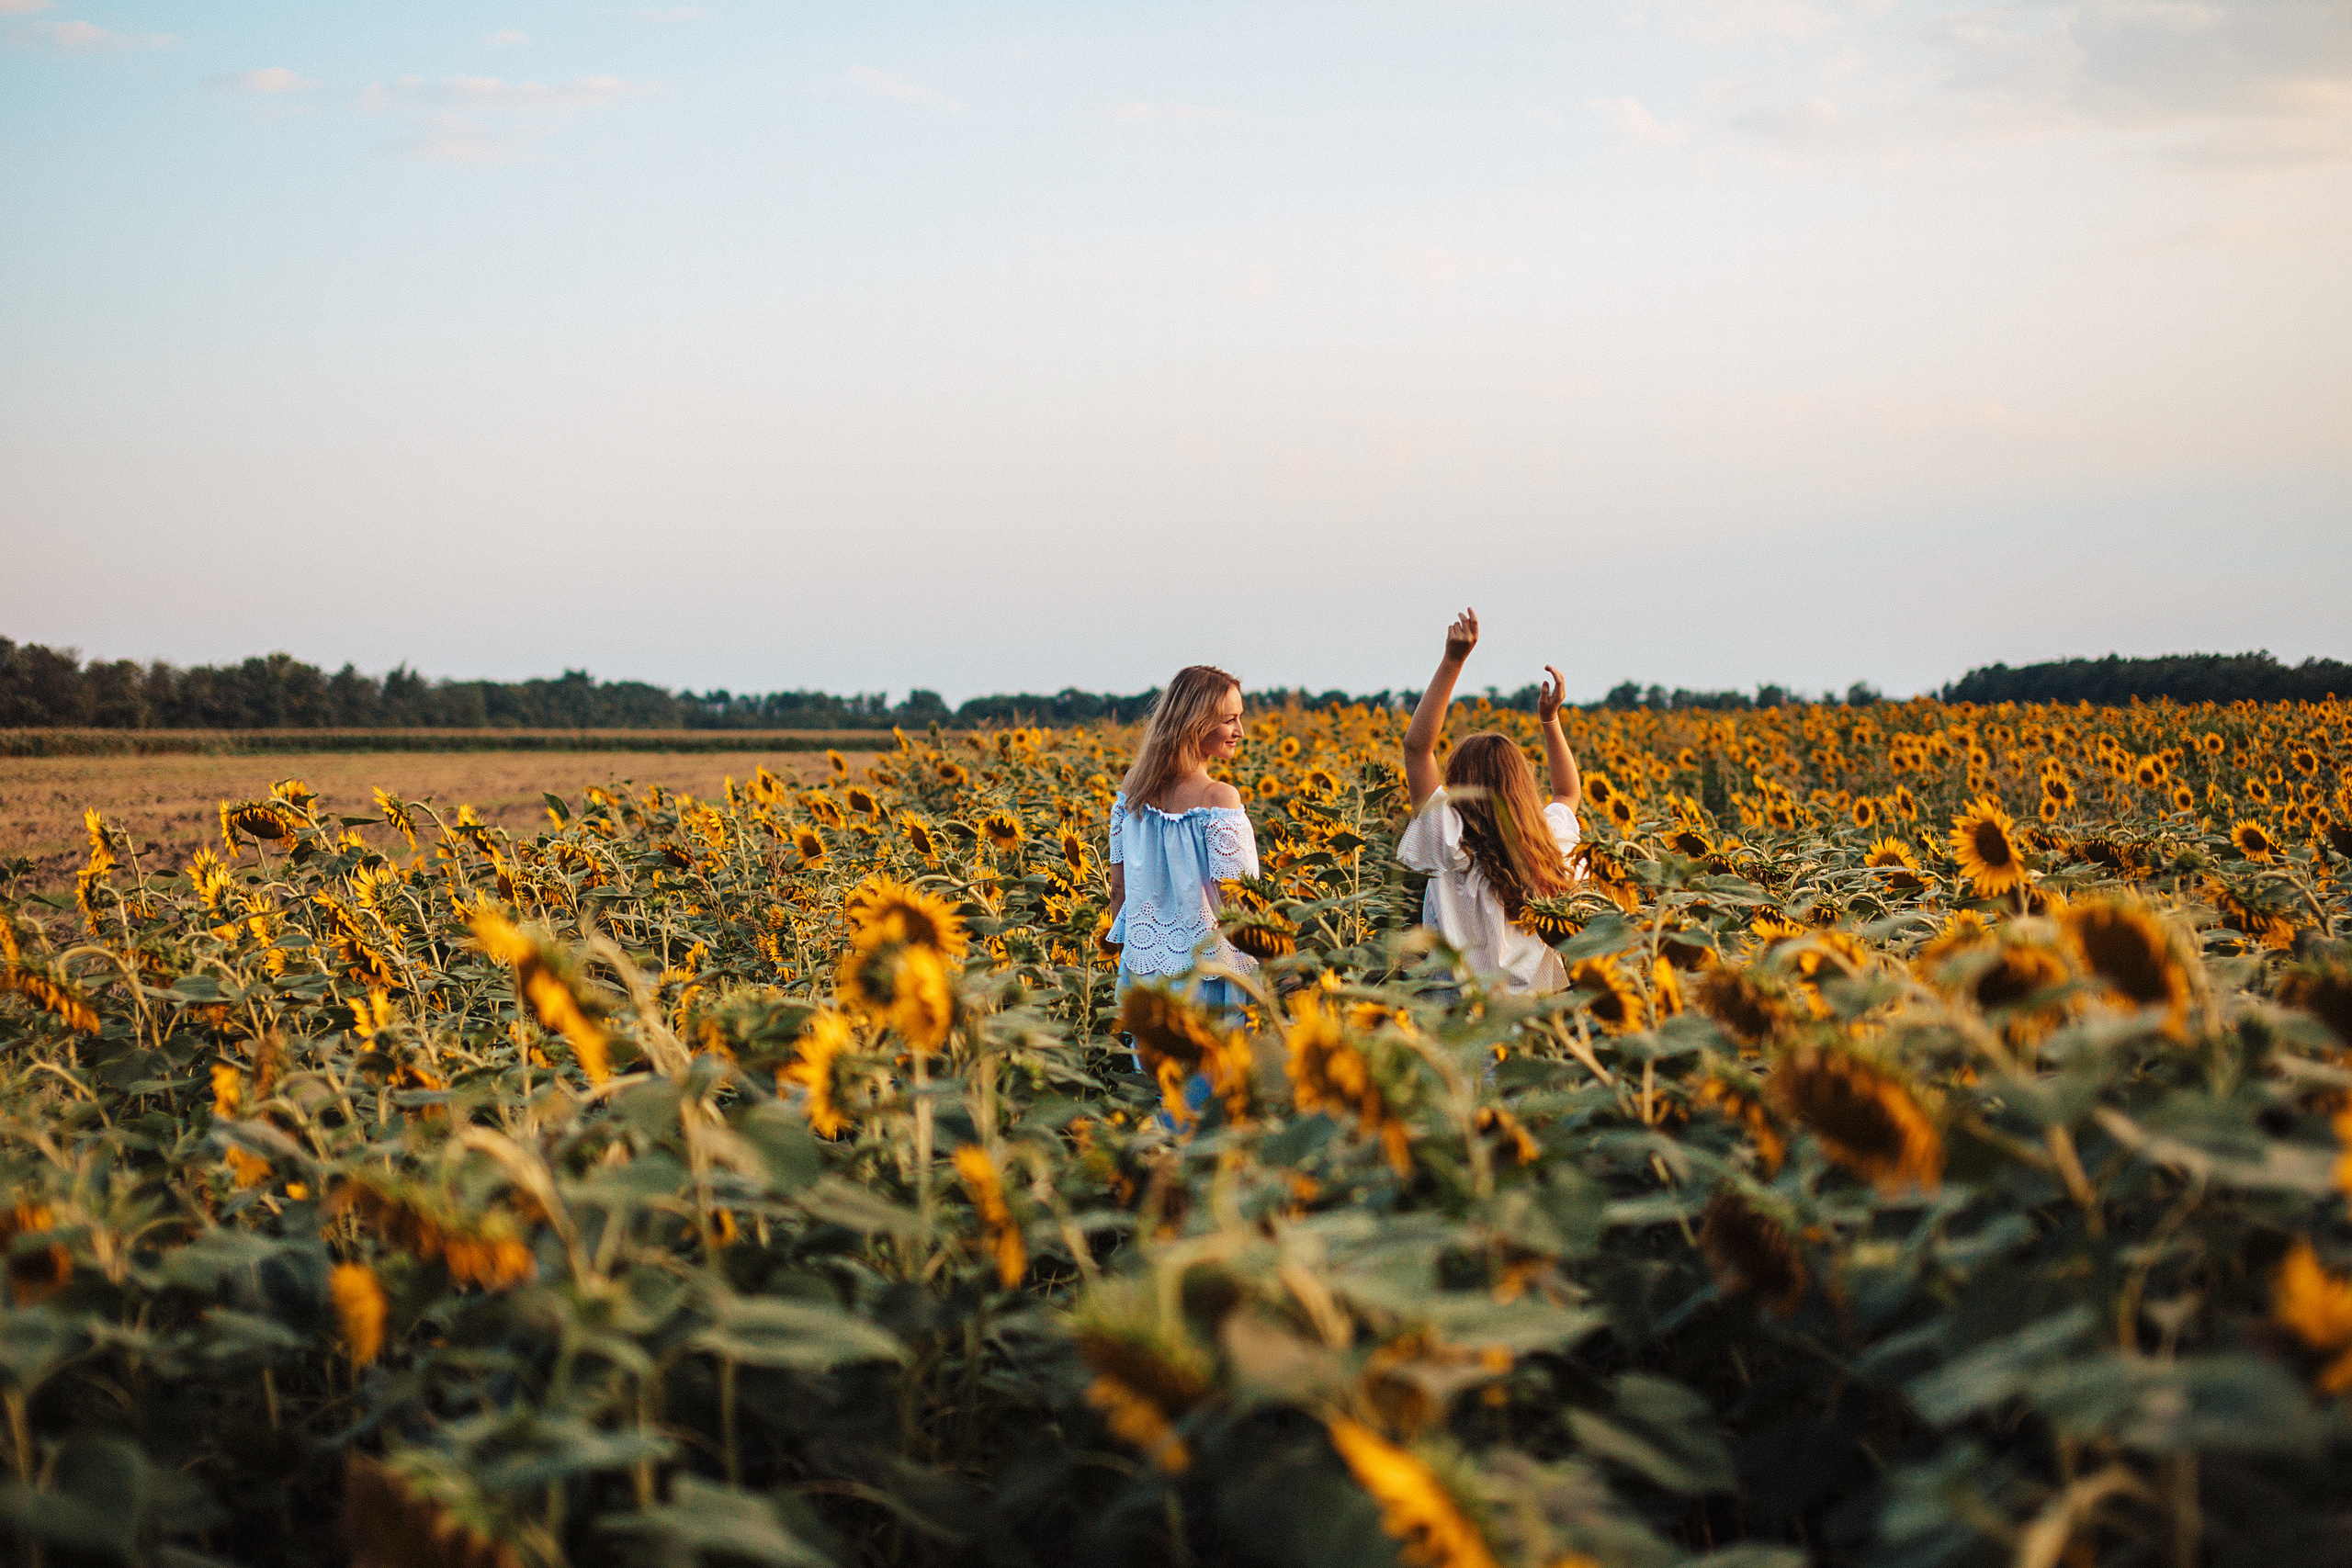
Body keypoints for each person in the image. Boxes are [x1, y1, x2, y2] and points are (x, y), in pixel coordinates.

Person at [1396, 607, 1583, 993]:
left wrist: (1452, 661)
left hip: (1461, 1026)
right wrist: (1551, 721)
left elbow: (1417, 749)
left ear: (1460, 786)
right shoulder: (1549, 848)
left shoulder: (1453, 847)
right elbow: (1567, 792)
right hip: (1534, 1027)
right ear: (1523, 786)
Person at [1106, 664, 1261, 1013]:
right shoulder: (1219, 800)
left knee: (1152, 1064)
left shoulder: (1132, 787)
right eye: (1229, 720)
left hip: (1145, 967)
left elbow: (1119, 890)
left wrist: (1132, 954)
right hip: (1209, 972)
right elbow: (1236, 903)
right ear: (1196, 723)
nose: (1240, 730)